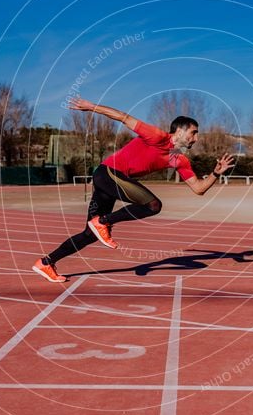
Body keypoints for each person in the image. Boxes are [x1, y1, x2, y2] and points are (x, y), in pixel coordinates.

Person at [32, 97, 235, 283]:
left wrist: (215, 173)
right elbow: (123, 117)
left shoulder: (178, 158)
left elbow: (198, 189)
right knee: (153, 205)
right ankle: (102, 222)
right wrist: (91, 107)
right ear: (179, 131)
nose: (196, 138)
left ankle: (46, 262)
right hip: (107, 173)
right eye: (194, 132)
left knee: (90, 234)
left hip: (112, 182)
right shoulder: (156, 136)